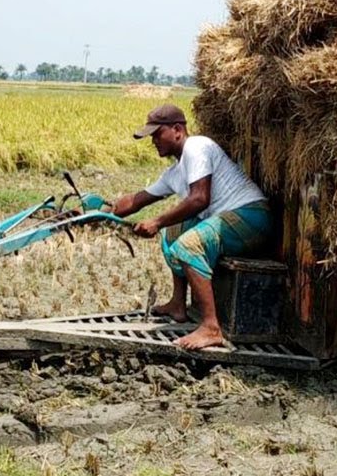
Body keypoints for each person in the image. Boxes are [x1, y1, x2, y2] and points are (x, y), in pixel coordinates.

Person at [109, 105, 271, 350]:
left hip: (251, 217)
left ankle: (211, 327)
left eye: (156, 134)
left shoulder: (197, 147)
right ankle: (178, 304)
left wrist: (157, 221)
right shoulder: (174, 172)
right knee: (171, 234)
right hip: (228, 218)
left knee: (188, 244)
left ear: (177, 130)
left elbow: (199, 199)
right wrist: (100, 209)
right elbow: (135, 202)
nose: (153, 141)